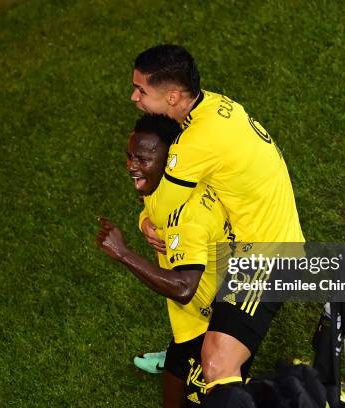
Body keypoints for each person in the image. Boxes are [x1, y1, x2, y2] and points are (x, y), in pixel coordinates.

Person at [129, 44, 305, 402]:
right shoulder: (212, 105)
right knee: (207, 342)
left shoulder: (194, 142)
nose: (134, 97)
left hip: (266, 258)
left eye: (141, 90)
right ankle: (188, 353)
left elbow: (162, 208)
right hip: (248, 242)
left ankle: (309, 391)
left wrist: (144, 220)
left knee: (217, 367)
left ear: (174, 96)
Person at [97, 113, 246, 407]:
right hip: (194, 314)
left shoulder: (187, 217)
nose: (131, 166)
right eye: (130, 156)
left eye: (142, 159)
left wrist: (123, 253)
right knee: (177, 367)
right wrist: (144, 222)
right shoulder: (164, 183)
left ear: (169, 159)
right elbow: (149, 207)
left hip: (211, 321)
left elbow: (183, 287)